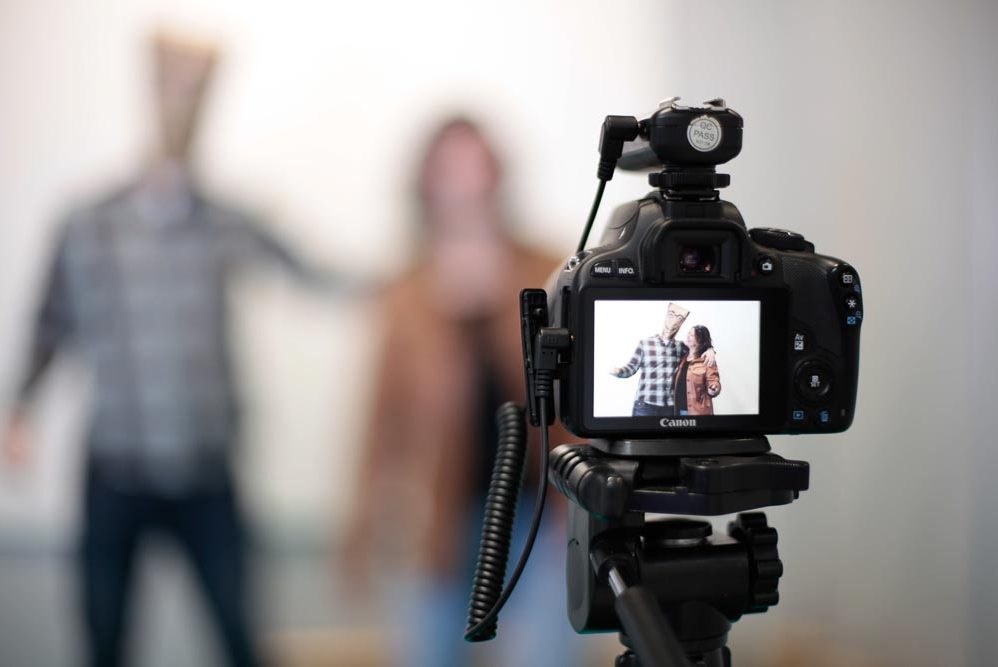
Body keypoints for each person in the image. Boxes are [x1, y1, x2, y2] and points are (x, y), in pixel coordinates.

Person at [1, 32, 338, 667]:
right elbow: (51, 321)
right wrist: (21, 409)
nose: (180, 104)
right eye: (171, 87)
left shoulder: (226, 221)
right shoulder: (89, 223)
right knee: (105, 637)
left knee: (238, 634)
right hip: (116, 467)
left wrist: (410, 276)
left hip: (205, 469)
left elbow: (312, 273)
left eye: (194, 90)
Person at [343, 117, 578, 666]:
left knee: (541, 655)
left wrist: (494, 292)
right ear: (426, 183)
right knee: (429, 651)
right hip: (438, 517)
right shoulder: (406, 291)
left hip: (538, 511)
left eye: (476, 166)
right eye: (450, 169)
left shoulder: (544, 268)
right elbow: (381, 419)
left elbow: (571, 394)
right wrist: (360, 525)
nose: (465, 184)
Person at [611, 303, 716, 417]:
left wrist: (710, 350)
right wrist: (618, 371)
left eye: (679, 319)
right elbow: (631, 367)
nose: (674, 321)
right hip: (645, 406)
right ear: (666, 317)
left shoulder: (680, 347)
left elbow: (698, 349)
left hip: (669, 408)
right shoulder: (646, 343)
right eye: (671, 315)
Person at [674, 325, 722, 416]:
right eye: (688, 333)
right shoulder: (683, 357)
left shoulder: (707, 360)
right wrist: (710, 349)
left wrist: (714, 388)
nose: (688, 336)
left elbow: (713, 380)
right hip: (679, 411)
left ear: (699, 340)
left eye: (692, 335)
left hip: (698, 412)